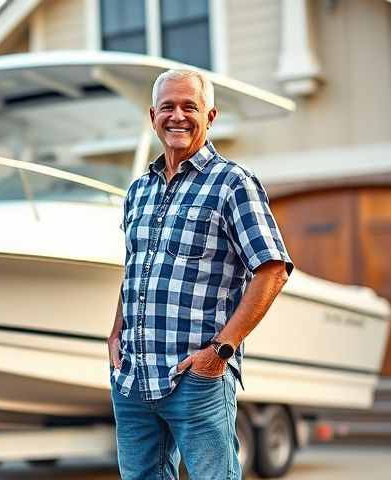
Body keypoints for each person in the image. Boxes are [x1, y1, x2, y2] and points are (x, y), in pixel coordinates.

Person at [107, 69, 294, 480]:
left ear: (210, 116)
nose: (178, 116)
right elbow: (135, 267)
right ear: (152, 115)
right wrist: (115, 334)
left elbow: (273, 270)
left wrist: (220, 352)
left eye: (189, 106)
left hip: (196, 378)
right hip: (133, 379)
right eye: (168, 107)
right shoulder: (139, 191)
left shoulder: (232, 183)